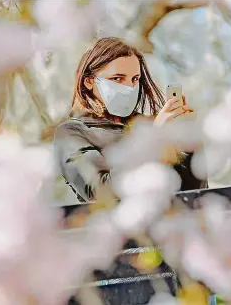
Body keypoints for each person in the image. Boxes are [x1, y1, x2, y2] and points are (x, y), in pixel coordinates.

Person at [54, 37, 206, 304]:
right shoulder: (73, 133)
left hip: (172, 266)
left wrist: (189, 149)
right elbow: (101, 191)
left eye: (135, 80)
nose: (129, 87)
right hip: (117, 274)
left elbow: (191, 194)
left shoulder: (147, 126)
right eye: (118, 78)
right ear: (90, 81)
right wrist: (151, 142)